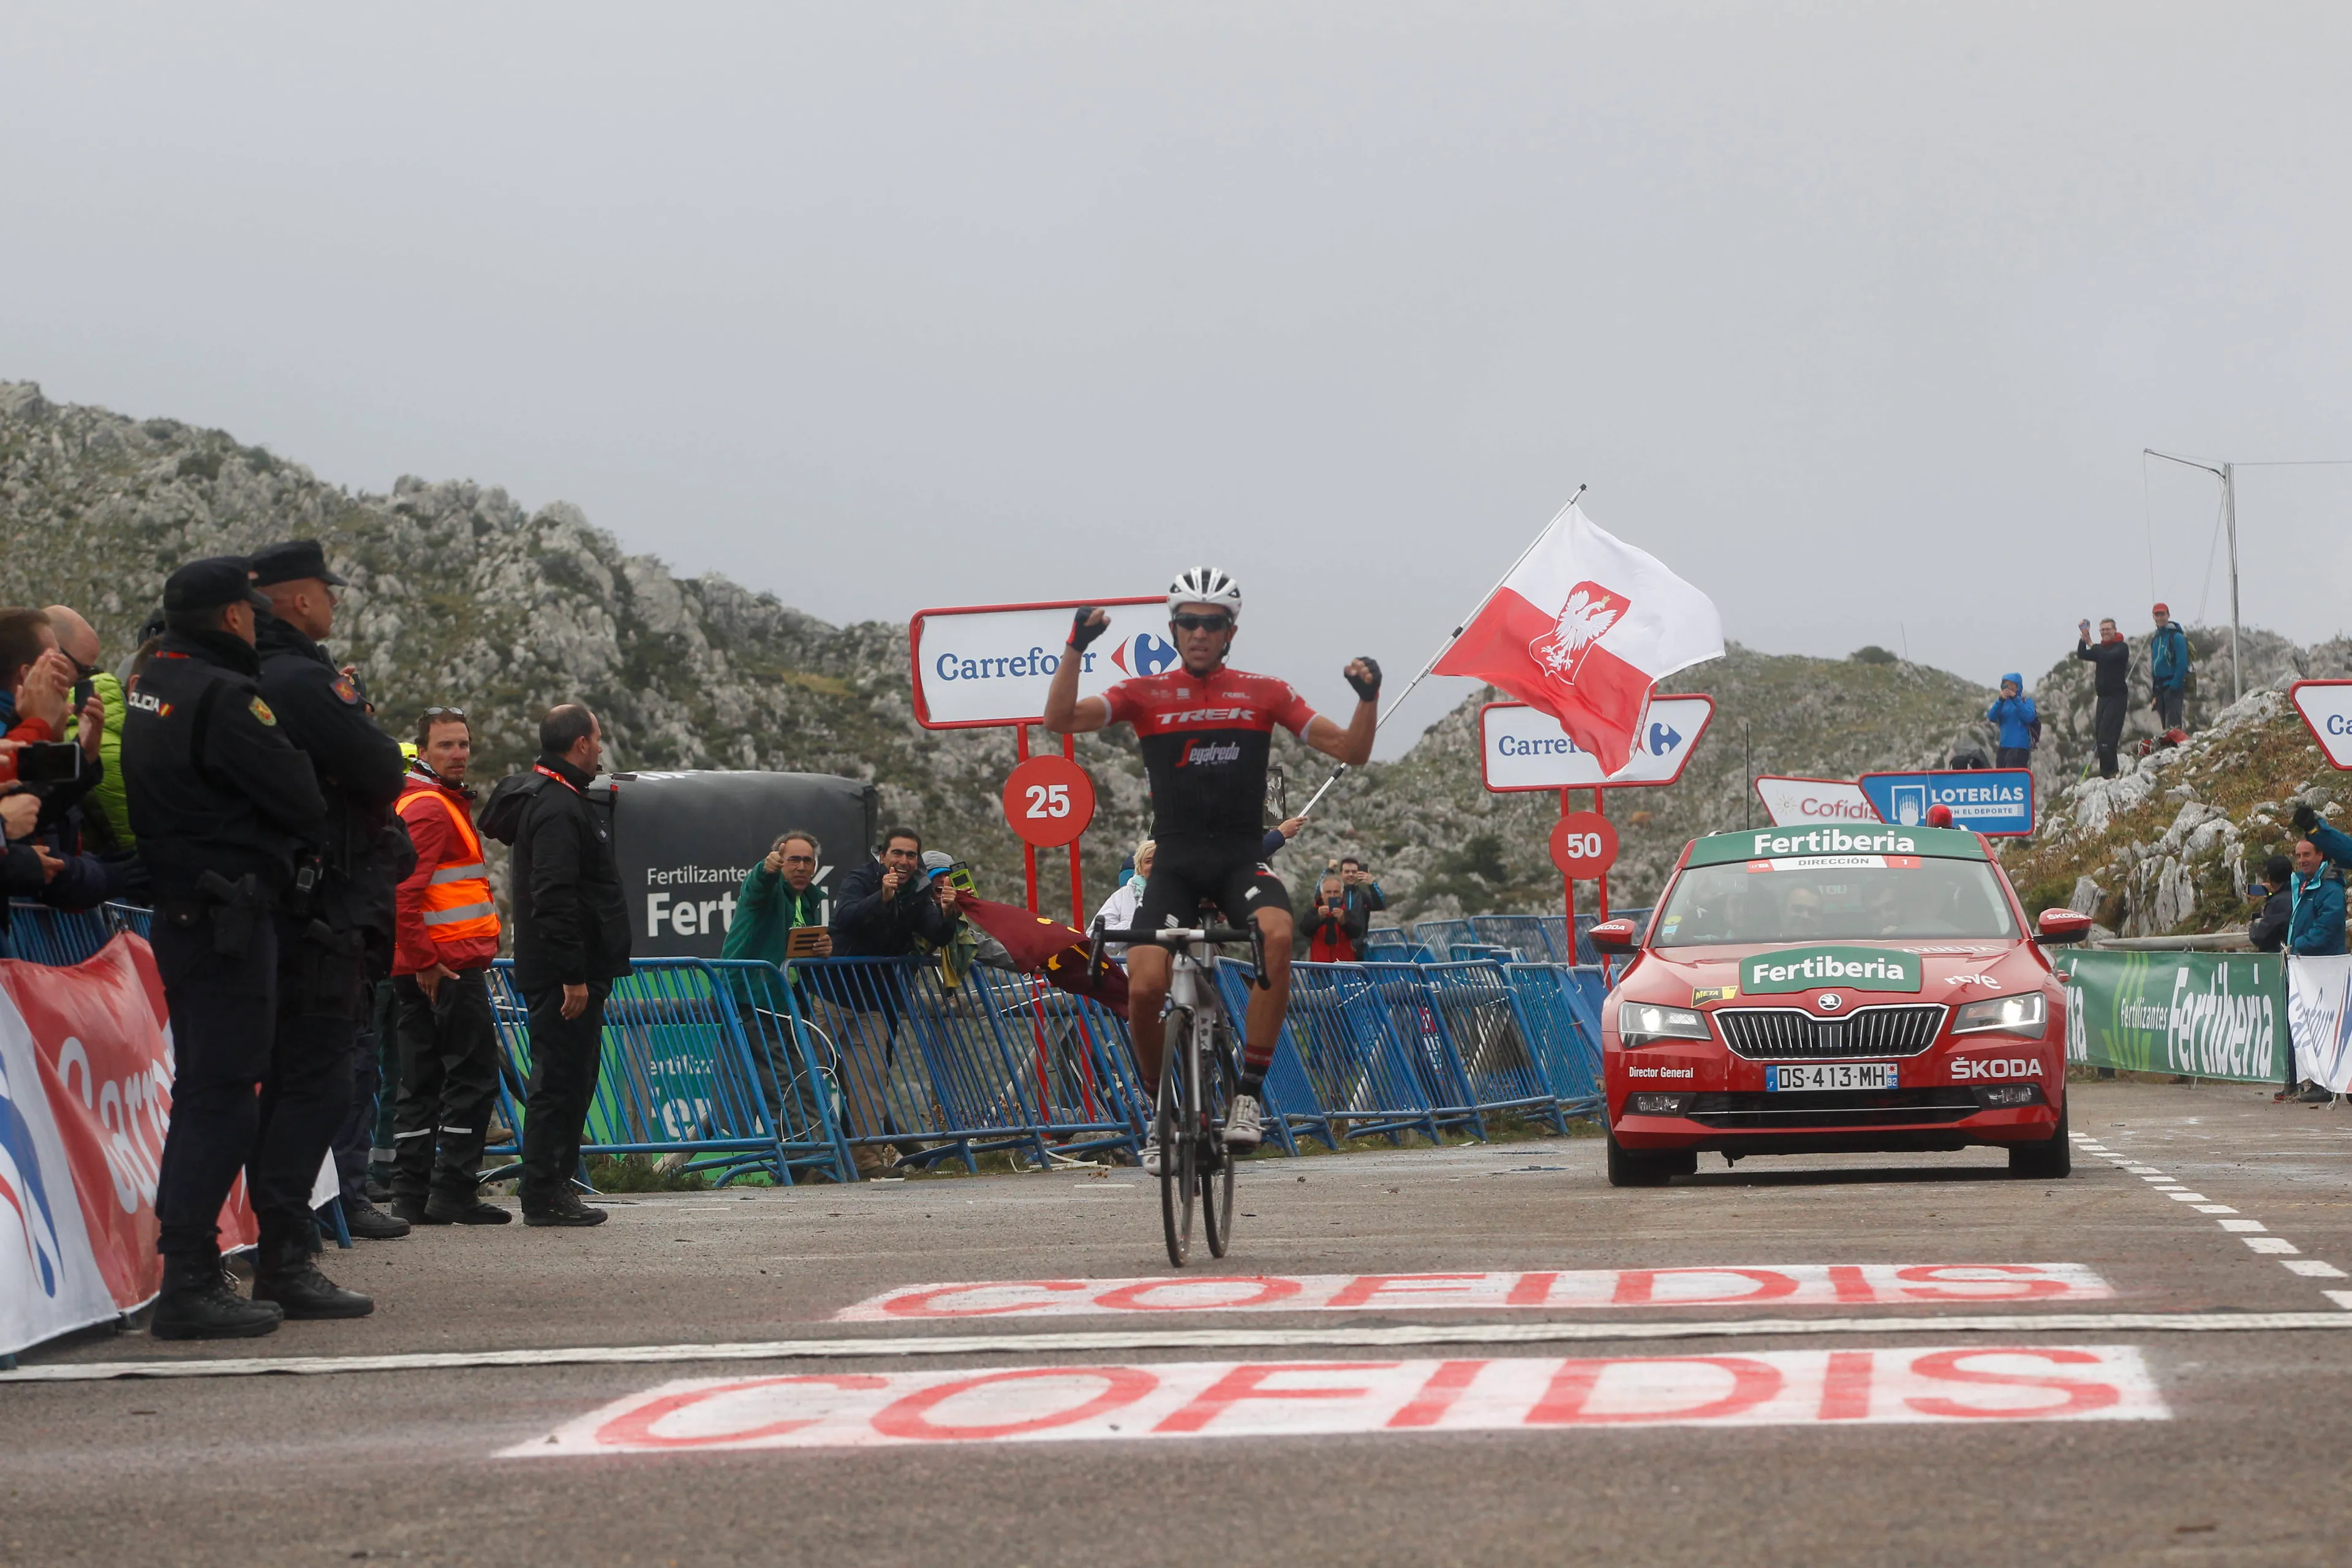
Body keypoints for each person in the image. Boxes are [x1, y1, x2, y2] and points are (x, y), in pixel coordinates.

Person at [1043, 567, 1378, 1167]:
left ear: (1231, 631)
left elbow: (1351, 751)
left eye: (1214, 622)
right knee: (1144, 987)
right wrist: (1075, 647)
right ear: (1173, 629)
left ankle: (1247, 1095)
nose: (1200, 632)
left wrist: (1367, 699)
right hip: (1173, 861)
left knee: (1276, 935)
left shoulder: (1264, 692)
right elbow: (1060, 719)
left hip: (1239, 859)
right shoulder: (1145, 694)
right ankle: (1159, 1114)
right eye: (1190, 622)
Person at [120, 559, 330, 1338]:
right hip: (228, 920)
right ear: (237, 618)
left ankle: (189, 1271)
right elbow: (303, 799)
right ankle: (190, 1277)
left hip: (184, 913)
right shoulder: (226, 697)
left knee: (207, 1093)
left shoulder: (152, 682)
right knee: (223, 1099)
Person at [249, 540, 414, 1258]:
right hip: (319, 914)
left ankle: (279, 1243)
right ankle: (286, 1251)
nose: (336, 600)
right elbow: (380, 766)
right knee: (314, 1083)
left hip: (284, 908)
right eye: (326, 588)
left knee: (296, 1081)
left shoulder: (250, 674)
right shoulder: (297, 679)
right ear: (295, 596)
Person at [480, 704, 630, 1226]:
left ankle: (554, 1185)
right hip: (564, 974)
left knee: (575, 1078)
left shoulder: (563, 799)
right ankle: (543, 1193)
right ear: (580, 745)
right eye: (598, 737)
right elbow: (554, 896)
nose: (602, 747)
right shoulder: (557, 808)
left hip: (575, 969)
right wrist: (572, 974)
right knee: (558, 1082)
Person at [388, 707, 510, 1225]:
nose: (458, 754)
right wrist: (428, 963)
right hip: (446, 967)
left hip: (427, 964)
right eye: (446, 746)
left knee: (421, 1082)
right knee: (472, 1077)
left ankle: (411, 1196)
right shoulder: (432, 808)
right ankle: (453, 1191)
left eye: (463, 744)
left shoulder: (424, 802)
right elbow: (404, 894)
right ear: (423, 752)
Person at [823, 826, 962, 1169]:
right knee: (808, 1074)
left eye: (911, 855)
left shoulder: (919, 888)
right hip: (831, 995)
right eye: (897, 854)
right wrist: (882, 898)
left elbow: (937, 934)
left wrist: (948, 913)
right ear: (882, 855)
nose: (903, 861)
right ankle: (806, 1158)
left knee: (868, 1083)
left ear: (918, 861)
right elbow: (845, 917)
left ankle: (866, 1160)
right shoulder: (861, 878)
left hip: (875, 1003)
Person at [2075, 618, 2130, 778]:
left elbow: (2107, 658)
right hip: (2103, 698)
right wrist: (2083, 639)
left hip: (2117, 697)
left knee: (2107, 738)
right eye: (2102, 630)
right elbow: (2082, 654)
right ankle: (2109, 772)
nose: (2105, 633)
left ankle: (2110, 774)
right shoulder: (2102, 649)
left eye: (2108, 629)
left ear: (2115, 630)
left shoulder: (2121, 648)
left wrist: (2091, 642)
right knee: (2101, 739)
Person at [1303, 872, 1367, 962]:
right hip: (1320, 968)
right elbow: (1305, 931)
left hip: (1345, 968)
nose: (1332, 896)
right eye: (1328, 892)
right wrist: (1319, 919)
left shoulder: (1348, 913)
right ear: (1322, 894)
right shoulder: (1314, 912)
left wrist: (1344, 921)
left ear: (1341, 895)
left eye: (1336, 892)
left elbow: (1357, 933)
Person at [2149, 604, 2190, 733]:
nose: (2160, 617)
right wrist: (2155, 693)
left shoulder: (2177, 637)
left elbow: (2182, 663)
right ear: (2153, 617)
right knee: (2165, 727)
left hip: (2173, 686)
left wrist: (2174, 686)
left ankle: (2177, 750)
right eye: (2157, 615)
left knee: (2174, 726)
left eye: (2163, 614)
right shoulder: (2156, 639)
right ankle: (2169, 751)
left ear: (2168, 615)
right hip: (2160, 689)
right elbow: (2155, 665)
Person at [1986, 674, 2038, 771]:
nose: (2008, 687)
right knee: (2001, 777)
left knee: (2012, 776)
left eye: (2011, 685)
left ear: (2018, 686)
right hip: (2003, 747)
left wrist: (2016, 699)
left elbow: (2029, 717)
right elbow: (1991, 717)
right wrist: (2000, 701)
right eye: (2005, 685)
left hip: (2019, 747)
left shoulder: (2026, 701)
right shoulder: (2003, 703)